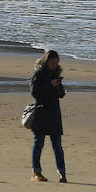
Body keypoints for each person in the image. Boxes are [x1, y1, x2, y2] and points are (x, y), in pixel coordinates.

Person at [28, 50, 67, 183]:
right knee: (38, 143)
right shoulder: (38, 75)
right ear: (46, 62)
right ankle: (36, 172)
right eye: (52, 63)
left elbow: (62, 94)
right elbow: (35, 93)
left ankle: (62, 173)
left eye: (56, 63)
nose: (54, 65)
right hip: (41, 112)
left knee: (57, 145)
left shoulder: (56, 74)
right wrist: (50, 85)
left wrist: (57, 85)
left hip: (54, 114)